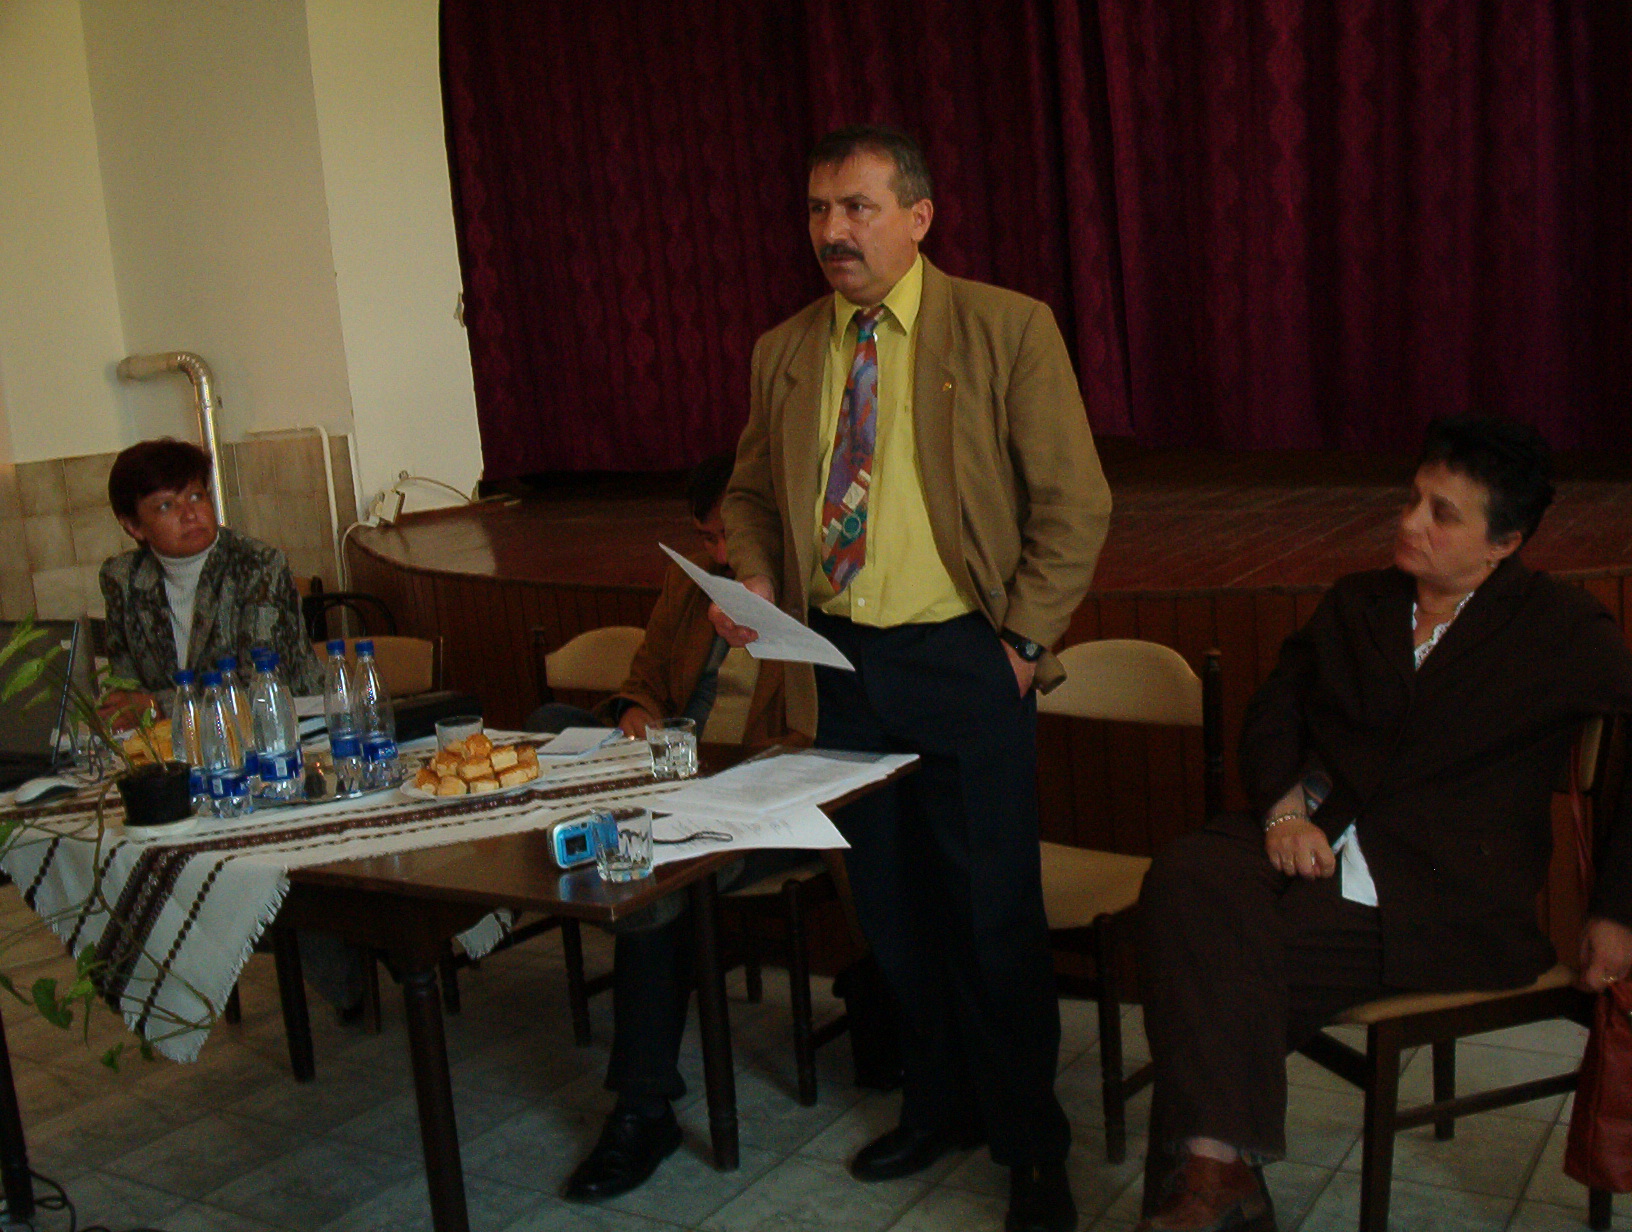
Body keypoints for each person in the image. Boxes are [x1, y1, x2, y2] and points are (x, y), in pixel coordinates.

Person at [712, 125, 1112, 1232]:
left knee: (992, 916)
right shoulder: (786, 349)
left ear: (919, 216)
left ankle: (1031, 1147)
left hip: (965, 658)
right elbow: (748, 494)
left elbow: (1076, 503)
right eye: (818, 209)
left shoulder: (1005, 327)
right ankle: (939, 1105)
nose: (833, 231)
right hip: (839, 668)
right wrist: (756, 577)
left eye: (858, 207)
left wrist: (1020, 645)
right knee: (889, 911)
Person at [1134, 416, 1632, 1232]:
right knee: (1186, 874)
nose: (1410, 522)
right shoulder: (1358, 603)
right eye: (1412, 499)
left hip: (1437, 897)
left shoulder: (1560, 629)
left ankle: (1210, 1183)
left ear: (1503, 543)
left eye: (1443, 514)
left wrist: (1619, 910)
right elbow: (1275, 710)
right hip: (1311, 839)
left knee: (1207, 966)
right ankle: (1221, 1182)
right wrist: (1284, 812)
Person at [553, 454, 808, 1201]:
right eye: (707, 538)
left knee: (652, 879)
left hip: (766, 800)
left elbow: (814, 733)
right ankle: (599, 851)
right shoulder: (690, 582)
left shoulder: (807, 590)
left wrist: (722, 777)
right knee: (548, 726)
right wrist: (638, 716)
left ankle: (642, 1110)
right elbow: (644, 679)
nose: (720, 554)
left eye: (730, 537)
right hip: (674, 774)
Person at [98, 437, 323, 718]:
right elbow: (125, 690)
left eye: (196, 496)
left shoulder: (259, 565)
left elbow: (260, 686)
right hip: (174, 739)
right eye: (166, 506)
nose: (190, 514)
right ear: (133, 526)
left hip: (289, 727)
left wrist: (157, 706)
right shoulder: (122, 578)